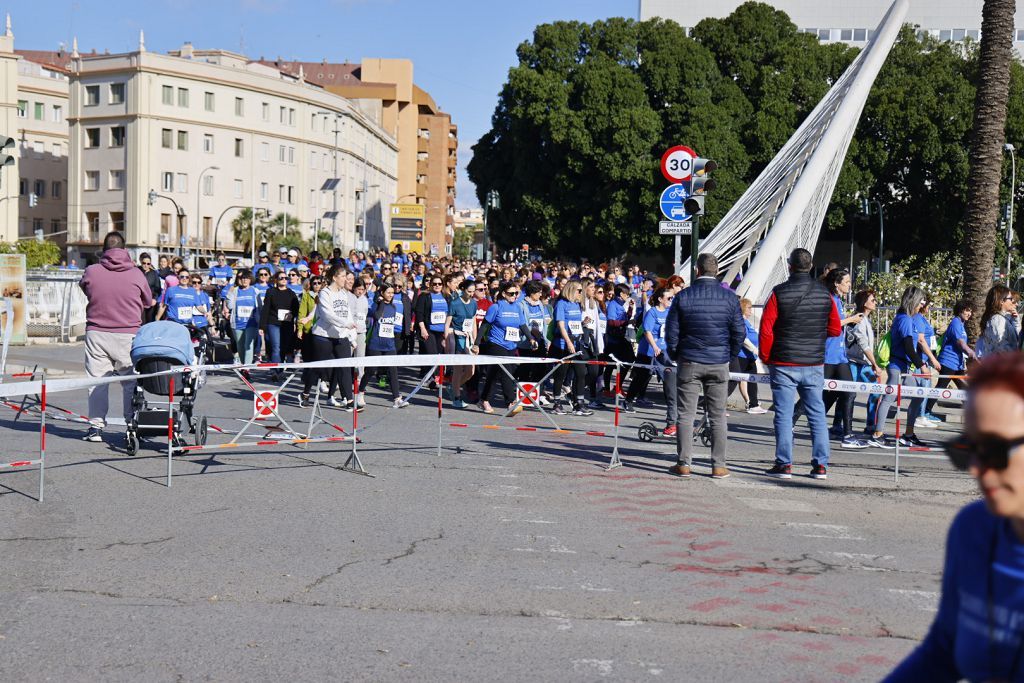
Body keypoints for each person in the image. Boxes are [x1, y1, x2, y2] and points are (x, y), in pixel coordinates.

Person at [885, 352, 1024, 682]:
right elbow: (943, 650)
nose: (976, 468)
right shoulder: (974, 529)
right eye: (966, 449)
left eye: (993, 450)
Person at [759, 248, 841, 479]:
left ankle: (784, 464)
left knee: (784, 415)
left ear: (790, 266)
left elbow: (766, 330)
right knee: (816, 414)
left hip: (784, 361)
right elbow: (835, 328)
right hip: (813, 362)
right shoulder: (825, 294)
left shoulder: (778, 293)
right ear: (811, 265)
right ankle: (820, 465)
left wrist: (766, 357)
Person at [664, 254, 745, 479]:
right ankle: (718, 465)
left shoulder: (683, 297)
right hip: (719, 361)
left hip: (690, 360)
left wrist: (675, 354)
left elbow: (671, 332)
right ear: (716, 271)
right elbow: (739, 332)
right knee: (718, 415)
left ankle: (684, 463)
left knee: (685, 414)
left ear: (697, 271)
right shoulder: (729, 298)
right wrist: (729, 354)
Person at [78, 232, 154, 443]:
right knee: (129, 382)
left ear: (103, 250)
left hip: (97, 332)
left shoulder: (92, 271)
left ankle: (95, 428)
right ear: (125, 250)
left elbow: (85, 288)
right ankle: (131, 424)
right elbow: (148, 301)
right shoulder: (137, 274)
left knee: (97, 381)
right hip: (128, 334)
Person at [793, 269, 868, 449]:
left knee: (848, 391)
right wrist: (850, 319)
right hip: (828, 355)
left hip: (840, 356)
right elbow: (828, 325)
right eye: (847, 281)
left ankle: (848, 434)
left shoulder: (839, 301)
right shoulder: (829, 300)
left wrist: (849, 321)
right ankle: (790, 420)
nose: (850, 285)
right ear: (836, 283)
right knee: (814, 392)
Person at [867, 286, 936, 449]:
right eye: (921, 301)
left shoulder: (906, 318)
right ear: (913, 301)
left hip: (904, 367)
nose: (923, 304)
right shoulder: (904, 319)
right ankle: (877, 434)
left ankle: (908, 434)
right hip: (897, 366)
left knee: (918, 395)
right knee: (889, 398)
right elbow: (908, 347)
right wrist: (922, 365)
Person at [478, 280, 534, 414]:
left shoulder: (517, 307)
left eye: (516, 293)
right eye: (511, 293)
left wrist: (531, 338)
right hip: (496, 343)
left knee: (493, 373)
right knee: (506, 371)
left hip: (511, 344)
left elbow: (522, 325)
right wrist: (476, 343)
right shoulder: (496, 307)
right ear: (503, 294)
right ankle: (510, 402)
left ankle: (484, 399)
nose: (514, 296)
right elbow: (485, 325)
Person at [310, 264, 359, 410]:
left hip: (340, 336)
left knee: (345, 367)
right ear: (334, 277)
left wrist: (352, 337)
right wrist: (345, 324)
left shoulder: (344, 294)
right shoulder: (325, 293)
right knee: (318, 369)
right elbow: (327, 315)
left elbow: (347, 315)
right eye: (343, 276)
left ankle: (349, 400)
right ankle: (306, 393)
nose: (346, 279)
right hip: (323, 336)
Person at [926, 299, 977, 417]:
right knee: (941, 387)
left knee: (962, 385)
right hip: (948, 361)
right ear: (960, 310)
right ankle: (926, 411)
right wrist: (969, 351)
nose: (969, 313)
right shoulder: (955, 322)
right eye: (967, 310)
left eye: (970, 311)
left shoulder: (961, 324)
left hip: (956, 363)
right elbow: (960, 342)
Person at [359, 283, 407, 408]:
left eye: (392, 293)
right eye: (388, 292)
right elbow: (376, 316)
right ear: (382, 293)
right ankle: (360, 391)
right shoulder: (377, 305)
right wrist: (380, 303)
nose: (391, 295)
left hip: (389, 343)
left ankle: (397, 398)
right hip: (376, 343)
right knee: (371, 370)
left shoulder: (393, 307)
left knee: (393, 370)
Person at [550, 280, 592, 416]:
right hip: (563, 344)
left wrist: (582, 323)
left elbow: (573, 324)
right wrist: (568, 342)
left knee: (581, 373)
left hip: (577, 344)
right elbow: (561, 325)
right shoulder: (561, 304)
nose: (582, 293)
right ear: (571, 290)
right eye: (579, 290)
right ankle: (556, 403)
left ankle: (579, 404)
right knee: (560, 375)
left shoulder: (576, 304)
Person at [847, 289, 884, 435]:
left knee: (876, 390)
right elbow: (864, 344)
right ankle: (839, 426)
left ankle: (870, 425)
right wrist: (875, 364)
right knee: (848, 394)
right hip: (853, 362)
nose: (875, 302)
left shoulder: (866, 320)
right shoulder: (859, 319)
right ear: (864, 303)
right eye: (873, 300)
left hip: (863, 364)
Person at [726, 298, 766, 414]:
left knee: (751, 380)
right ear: (743, 308)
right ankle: (716, 405)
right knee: (734, 381)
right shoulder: (740, 322)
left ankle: (753, 404)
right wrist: (755, 350)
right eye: (749, 308)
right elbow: (743, 338)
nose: (751, 311)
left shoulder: (746, 321)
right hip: (742, 356)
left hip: (749, 356)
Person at [258, 270, 299, 377]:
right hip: (273, 323)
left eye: (286, 278)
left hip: (287, 324)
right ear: (276, 280)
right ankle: (275, 371)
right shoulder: (271, 292)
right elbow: (265, 309)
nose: (284, 280)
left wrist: (293, 319)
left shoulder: (291, 293)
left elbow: (296, 310)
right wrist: (262, 326)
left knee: (283, 347)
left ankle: (279, 369)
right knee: (276, 346)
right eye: (281, 278)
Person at [447, 279, 479, 408]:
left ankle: (453, 387)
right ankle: (456, 397)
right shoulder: (455, 303)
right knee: (458, 369)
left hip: (469, 339)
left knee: (471, 371)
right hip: (457, 338)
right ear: (463, 290)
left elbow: (473, 323)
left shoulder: (473, 304)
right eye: (469, 291)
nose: (471, 294)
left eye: (473, 292)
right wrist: (447, 340)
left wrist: (476, 343)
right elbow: (447, 324)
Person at [296, 274, 323, 406]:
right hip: (309, 331)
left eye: (319, 283)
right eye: (315, 283)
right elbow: (302, 313)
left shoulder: (325, 295)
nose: (317, 285)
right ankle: (307, 384)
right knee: (310, 361)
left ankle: (319, 382)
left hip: (323, 332)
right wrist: (300, 328)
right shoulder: (307, 295)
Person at [224, 269, 260, 367]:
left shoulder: (255, 291)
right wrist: (229, 294)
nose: (245, 280)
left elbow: (259, 307)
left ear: (250, 279)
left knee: (248, 344)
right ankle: (244, 365)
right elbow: (230, 306)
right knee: (240, 346)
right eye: (243, 278)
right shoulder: (235, 291)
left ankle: (247, 368)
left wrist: (260, 322)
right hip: (237, 323)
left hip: (251, 323)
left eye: (247, 278)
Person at [978, 284, 1021, 357]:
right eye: (1010, 299)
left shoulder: (1002, 318)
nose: (1012, 301)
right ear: (1001, 301)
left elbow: (1017, 339)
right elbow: (1001, 346)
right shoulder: (997, 319)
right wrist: (1015, 359)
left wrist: (1015, 321)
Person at [415, 275, 449, 355]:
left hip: (443, 331)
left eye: (439, 284)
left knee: (440, 354)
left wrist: (447, 331)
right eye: (435, 284)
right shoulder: (424, 296)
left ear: (442, 285)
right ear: (431, 285)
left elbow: (450, 314)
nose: (437, 285)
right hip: (429, 330)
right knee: (432, 354)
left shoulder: (447, 296)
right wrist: (423, 329)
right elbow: (419, 314)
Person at [138, 252, 162, 324]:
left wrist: (154, 299)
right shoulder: (137, 271)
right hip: (139, 301)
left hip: (150, 302)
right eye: (144, 263)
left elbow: (158, 288)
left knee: (149, 323)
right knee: (140, 322)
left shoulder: (154, 274)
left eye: (148, 264)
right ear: (141, 262)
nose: (146, 265)